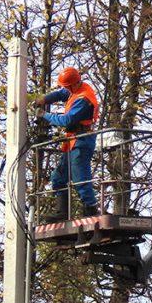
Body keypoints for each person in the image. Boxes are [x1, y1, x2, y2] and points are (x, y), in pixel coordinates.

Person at [34, 67, 101, 221]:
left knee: (80, 177)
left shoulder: (84, 99)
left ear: (73, 84)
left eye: (66, 86)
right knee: (58, 177)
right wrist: (44, 99)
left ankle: (90, 210)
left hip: (82, 140)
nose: (64, 89)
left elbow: (66, 120)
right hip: (73, 140)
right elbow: (61, 94)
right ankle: (62, 212)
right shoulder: (76, 88)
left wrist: (44, 115)